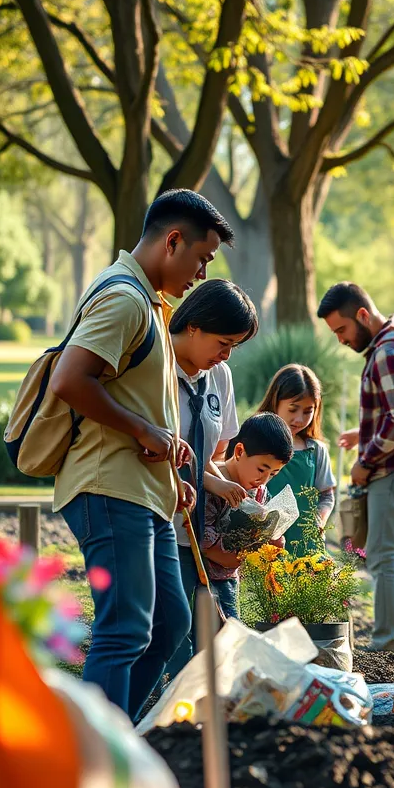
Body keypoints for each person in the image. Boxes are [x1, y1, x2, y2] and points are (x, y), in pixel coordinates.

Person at [51, 189, 232, 719]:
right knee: (125, 627)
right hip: (110, 488)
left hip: (147, 493)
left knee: (171, 621)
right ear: (173, 241)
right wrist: (147, 433)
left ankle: (121, 735)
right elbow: (69, 379)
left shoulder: (150, 303)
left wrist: (170, 475)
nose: (202, 275)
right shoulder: (123, 296)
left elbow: (132, 396)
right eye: (202, 259)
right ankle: (93, 761)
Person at [319, 282, 394, 660]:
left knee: (385, 558)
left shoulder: (386, 354)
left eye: (341, 329)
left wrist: (365, 460)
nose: (340, 340)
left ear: (363, 315)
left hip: (393, 472)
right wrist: (366, 432)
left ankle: (386, 645)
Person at [164, 279, 259, 678]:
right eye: (223, 342)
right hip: (160, 519)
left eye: (234, 346)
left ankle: (200, 715)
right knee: (171, 630)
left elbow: (214, 456)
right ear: (194, 326)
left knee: (210, 633)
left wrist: (222, 487)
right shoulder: (156, 365)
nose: (226, 355)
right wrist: (215, 482)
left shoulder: (219, 377)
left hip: (197, 524)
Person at [198, 412, 294, 587]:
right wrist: (241, 559)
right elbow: (204, 540)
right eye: (261, 469)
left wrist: (273, 541)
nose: (264, 480)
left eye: (273, 474)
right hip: (200, 578)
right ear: (239, 451)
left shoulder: (259, 492)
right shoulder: (214, 484)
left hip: (232, 579)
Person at [257, 365, 336, 556]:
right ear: (275, 402)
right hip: (263, 544)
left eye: (308, 411)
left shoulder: (315, 450)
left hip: (305, 547)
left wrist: (319, 520)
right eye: (293, 409)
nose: (299, 419)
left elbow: (327, 495)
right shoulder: (255, 440)